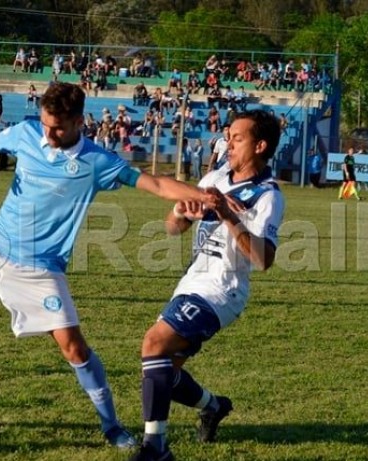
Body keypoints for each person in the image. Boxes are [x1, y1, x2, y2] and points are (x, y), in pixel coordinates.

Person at [0, 82, 210, 449]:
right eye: (45, 124)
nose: (49, 133)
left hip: (39, 269)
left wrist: (204, 195)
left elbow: (154, 184)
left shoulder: (96, 162)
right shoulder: (26, 133)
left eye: (58, 127)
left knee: (74, 348)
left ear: (78, 122)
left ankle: (112, 427)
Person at [129, 110, 285, 461]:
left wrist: (229, 215)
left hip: (222, 291)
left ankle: (155, 448)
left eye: (238, 139)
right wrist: (184, 212)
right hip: (191, 282)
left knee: (153, 344)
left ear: (260, 146)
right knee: (163, 373)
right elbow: (172, 227)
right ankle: (214, 406)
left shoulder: (268, 196)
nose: (228, 144)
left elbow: (264, 260)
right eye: (228, 137)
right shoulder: (215, 176)